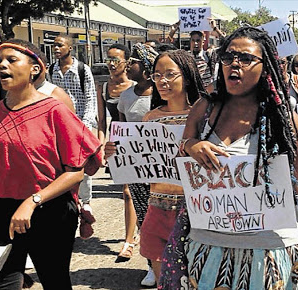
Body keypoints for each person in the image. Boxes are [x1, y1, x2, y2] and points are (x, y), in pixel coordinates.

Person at [180, 26, 298, 289]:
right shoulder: (204, 109)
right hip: (208, 249)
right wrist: (192, 145)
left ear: (265, 66)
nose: (234, 64)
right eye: (228, 57)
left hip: (270, 253)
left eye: (246, 59)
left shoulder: (285, 122)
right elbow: (181, 157)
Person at [0, 39, 102, 289]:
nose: (3, 66)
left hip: (50, 211)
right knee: (2, 282)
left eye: (12, 60)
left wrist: (33, 201)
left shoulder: (54, 110)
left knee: (54, 281)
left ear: (34, 69)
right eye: (0, 62)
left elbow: (76, 172)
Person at [105, 49, 204, 287]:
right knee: (165, 283)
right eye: (158, 75)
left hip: (196, 212)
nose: (163, 81)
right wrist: (115, 154)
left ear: (187, 76)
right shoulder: (150, 118)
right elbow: (139, 164)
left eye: (170, 74)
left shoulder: (203, 116)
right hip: (157, 210)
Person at [114, 43, 158, 287]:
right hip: (136, 164)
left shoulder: (161, 94)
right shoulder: (126, 95)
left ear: (147, 68)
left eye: (134, 62)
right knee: (144, 215)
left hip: (161, 167)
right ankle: (151, 264)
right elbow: (121, 127)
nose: (128, 65)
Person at [50, 34, 98, 234]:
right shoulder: (51, 70)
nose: (56, 49)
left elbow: (90, 98)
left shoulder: (82, 70)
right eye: (54, 46)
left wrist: (84, 126)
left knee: (82, 165)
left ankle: (85, 203)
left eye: (60, 45)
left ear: (70, 47)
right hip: (59, 125)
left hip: (79, 125)